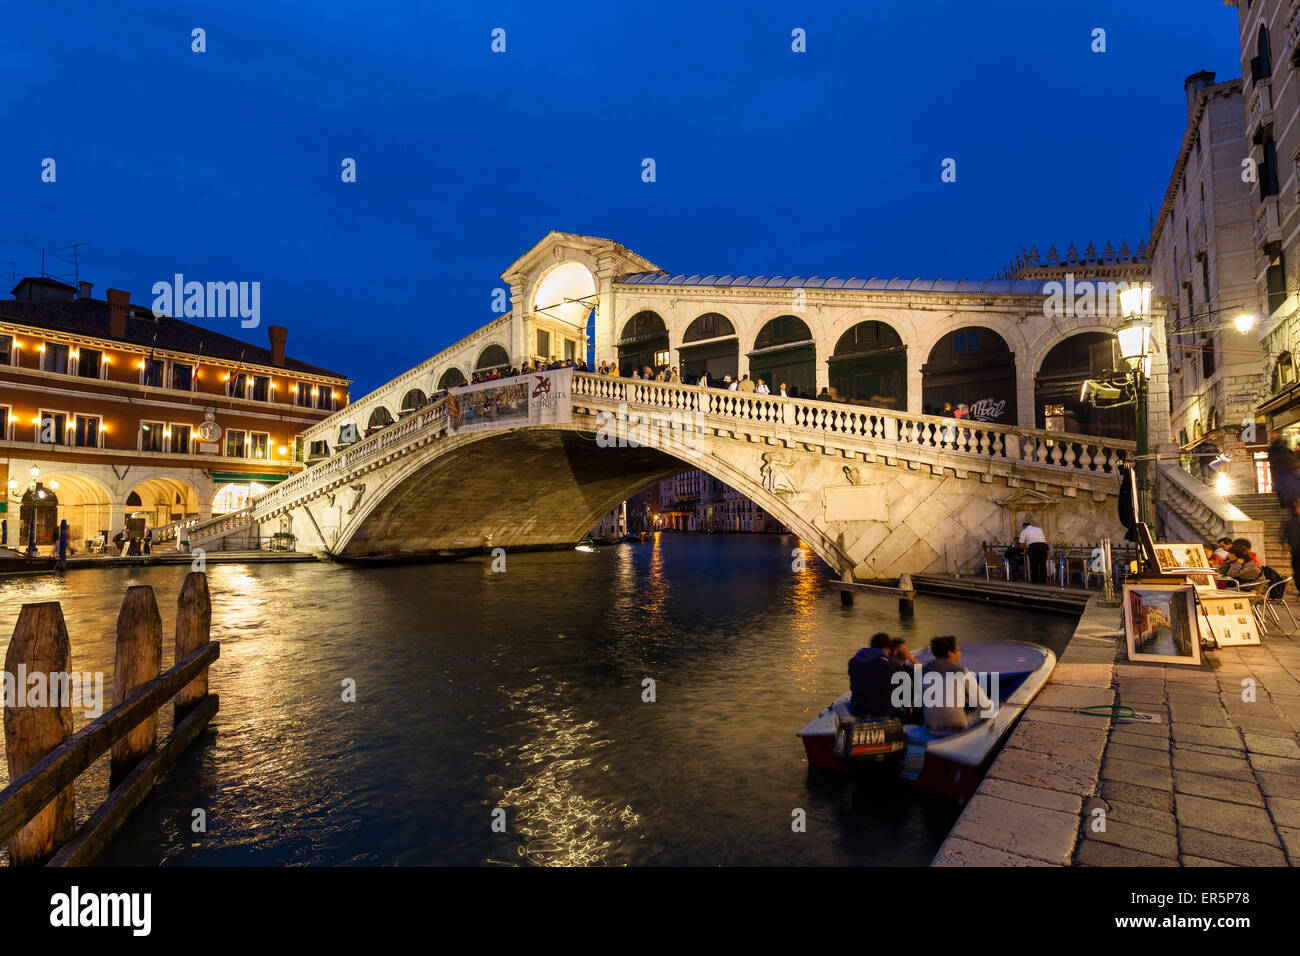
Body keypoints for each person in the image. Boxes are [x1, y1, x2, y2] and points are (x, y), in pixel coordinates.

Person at [922, 636, 996, 735]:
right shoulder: (961, 671)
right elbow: (984, 705)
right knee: (990, 708)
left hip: (930, 727)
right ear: (950, 653)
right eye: (958, 650)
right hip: (956, 728)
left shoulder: (924, 670)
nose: (960, 654)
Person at [848, 633, 906, 719]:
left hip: (858, 710)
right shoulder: (892, 664)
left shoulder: (853, 661)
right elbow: (908, 694)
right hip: (886, 713)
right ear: (888, 649)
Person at [1019, 518, 1049, 584]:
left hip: (1034, 547)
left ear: (1024, 526)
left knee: (1034, 564)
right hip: (1044, 546)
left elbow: (1021, 543)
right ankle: (1043, 580)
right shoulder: (1038, 529)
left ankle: (1035, 580)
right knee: (1043, 564)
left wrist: (1026, 550)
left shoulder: (1024, 531)